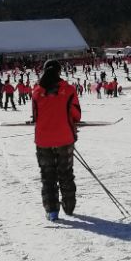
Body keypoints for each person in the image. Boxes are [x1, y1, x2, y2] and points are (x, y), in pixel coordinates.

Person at [32, 58, 82, 221]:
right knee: (65, 173)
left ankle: (52, 211)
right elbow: (76, 114)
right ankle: (69, 207)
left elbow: (36, 116)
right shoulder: (68, 89)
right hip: (64, 138)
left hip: (43, 139)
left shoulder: (37, 91)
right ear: (59, 71)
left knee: (48, 175)